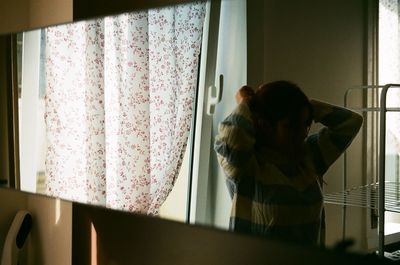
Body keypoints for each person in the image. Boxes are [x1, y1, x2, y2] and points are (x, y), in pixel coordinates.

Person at [214, 80, 363, 246]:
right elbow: (232, 136)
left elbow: (351, 122)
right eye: (291, 126)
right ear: (265, 126)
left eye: (305, 124)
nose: (302, 133)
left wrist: (307, 106)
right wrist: (246, 102)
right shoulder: (246, 165)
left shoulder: (309, 156)